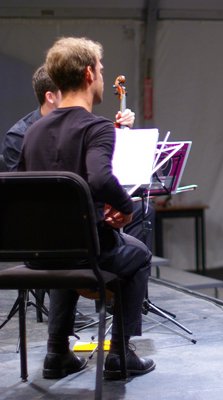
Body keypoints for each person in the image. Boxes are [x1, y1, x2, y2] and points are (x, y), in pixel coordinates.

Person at [18, 37, 155, 380]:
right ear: (89, 73)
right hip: (84, 252)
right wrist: (124, 208)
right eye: (102, 70)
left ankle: (57, 352)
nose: (104, 78)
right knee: (137, 253)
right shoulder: (96, 127)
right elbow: (99, 176)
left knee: (66, 242)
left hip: (39, 254)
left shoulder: (33, 131)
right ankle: (121, 355)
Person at [3, 65, 135, 172]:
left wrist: (122, 130)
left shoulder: (84, 125)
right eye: (66, 91)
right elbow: (22, 190)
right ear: (50, 97)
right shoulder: (18, 136)